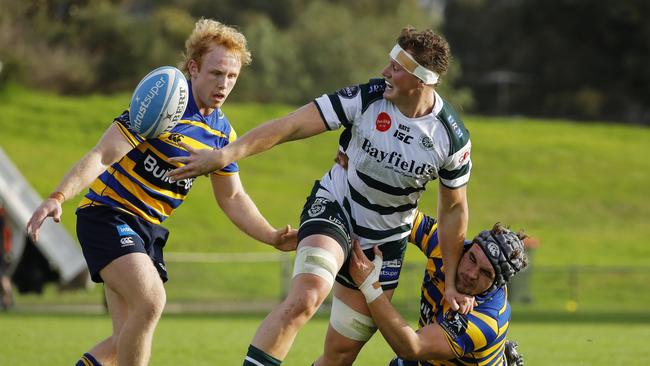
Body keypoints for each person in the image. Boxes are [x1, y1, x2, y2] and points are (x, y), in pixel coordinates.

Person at [168, 26, 473, 365]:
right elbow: (292, 125)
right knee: (306, 298)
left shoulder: (451, 139)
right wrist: (226, 155)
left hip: (384, 242)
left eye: (396, 69)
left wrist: (450, 282)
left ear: (421, 81)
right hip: (335, 206)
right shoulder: (367, 98)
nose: (385, 73)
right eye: (388, 63)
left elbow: (453, 210)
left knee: (339, 355)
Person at [26, 18, 297, 366]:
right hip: (108, 215)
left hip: (148, 232)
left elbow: (232, 197)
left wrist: (272, 236)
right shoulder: (163, 103)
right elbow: (103, 155)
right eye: (216, 74)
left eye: (231, 77)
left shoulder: (222, 135)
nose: (224, 84)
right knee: (151, 301)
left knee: (124, 338)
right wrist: (58, 196)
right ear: (194, 68)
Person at [349, 211, 528, 365]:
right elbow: (402, 214)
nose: (471, 274)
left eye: (486, 273)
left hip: (425, 349)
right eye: (472, 258)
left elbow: (412, 346)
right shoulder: (446, 245)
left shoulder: (486, 319)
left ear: (496, 284)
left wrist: (370, 285)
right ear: (468, 248)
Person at [0, 201, 14, 310]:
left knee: (3, 277)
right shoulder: (5, 218)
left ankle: (7, 300)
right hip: (5, 251)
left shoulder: (2, 218)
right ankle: (8, 300)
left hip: (2, 252)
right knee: (5, 276)